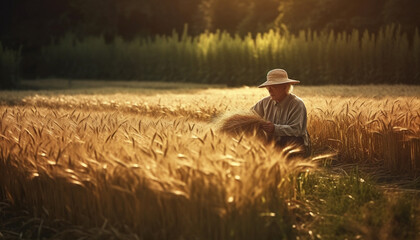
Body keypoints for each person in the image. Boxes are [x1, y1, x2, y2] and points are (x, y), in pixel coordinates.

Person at [251, 69, 311, 157]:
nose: (269, 90)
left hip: (295, 146)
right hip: (273, 145)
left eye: (273, 86)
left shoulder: (297, 104)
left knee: (291, 140)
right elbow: (249, 115)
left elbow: (297, 130)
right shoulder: (264, 103)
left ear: (285, 86)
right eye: (268, 86)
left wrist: (274, 128)